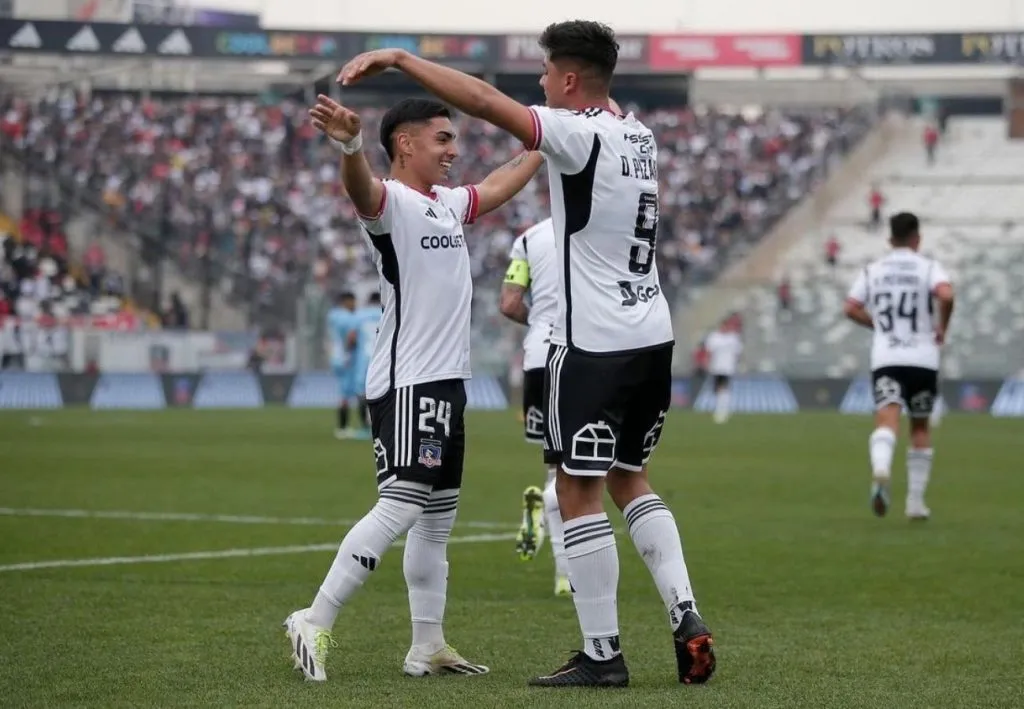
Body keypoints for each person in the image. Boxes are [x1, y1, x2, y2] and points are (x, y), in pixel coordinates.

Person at [339, 20, 716, 689]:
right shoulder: (639, 135)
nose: (539, 84)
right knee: (634, 477)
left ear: (569, 79)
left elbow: (486, 103)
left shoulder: (577, 130)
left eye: (545, 72)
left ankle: (602, 652)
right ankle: (685, 612)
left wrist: (402, 58)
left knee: (577, 487)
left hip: (593, 343)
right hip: (652, 334)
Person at [284, 95, 543, 682]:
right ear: (405, 144)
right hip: (409, 383)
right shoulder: (391, 202)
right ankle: (315, 618)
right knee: (402, 502)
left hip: (447, 383)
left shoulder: (447, 204)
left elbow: (500, 184)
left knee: (437, 519)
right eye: (443, 139)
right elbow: (360, 190)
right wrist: (350, 145)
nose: (455, 151)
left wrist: (546, 139)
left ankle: (427, 645)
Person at [843, 212, 955, 521]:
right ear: (917, 238)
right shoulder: (928, 267)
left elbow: (850, 307)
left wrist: (876, 324)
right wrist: (942, 326)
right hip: (923, 358)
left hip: (887, 357)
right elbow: (946, 294)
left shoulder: (873, 270)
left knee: (887, 416)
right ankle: (915, 503)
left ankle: (881, 467)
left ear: (890, 239)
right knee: (919, 425)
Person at [498, 217, 570, 596]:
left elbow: (509, 304)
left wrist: (539, 320)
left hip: (539, 359)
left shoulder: (528, 237)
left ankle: (563, 576)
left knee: (555, 468)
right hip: (583, 357)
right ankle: (545, 504)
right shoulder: (599, 222)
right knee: (587, 472)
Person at [347, 291, 383, 440]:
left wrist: (350, 349)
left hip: (364, 359)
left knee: (362, 394)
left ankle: (364, 428)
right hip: (382, 358)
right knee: (382, 393)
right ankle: (380, 427)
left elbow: (352, 337)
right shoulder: (385, 312)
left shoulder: (360, 315)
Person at [327, 291, 359, 439]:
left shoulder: (333, 315)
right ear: (347, 301)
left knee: (343, 393)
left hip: (335, 356)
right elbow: (351, 337)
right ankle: (343, 428)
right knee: (350, 394)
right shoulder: (348, 317)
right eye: (353, 301)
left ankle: (343, 427)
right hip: (346, 358)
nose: (355, 305)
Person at [704, 314, 744, 424]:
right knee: (717, 390)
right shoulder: (714, 337)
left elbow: (738, 353)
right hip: (716, 367)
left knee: (723, 388)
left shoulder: (733, 338)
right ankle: (721, 410)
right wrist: (707, 363)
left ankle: (722, 412)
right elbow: (708, 351)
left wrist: (736, 363)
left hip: (728, 368)